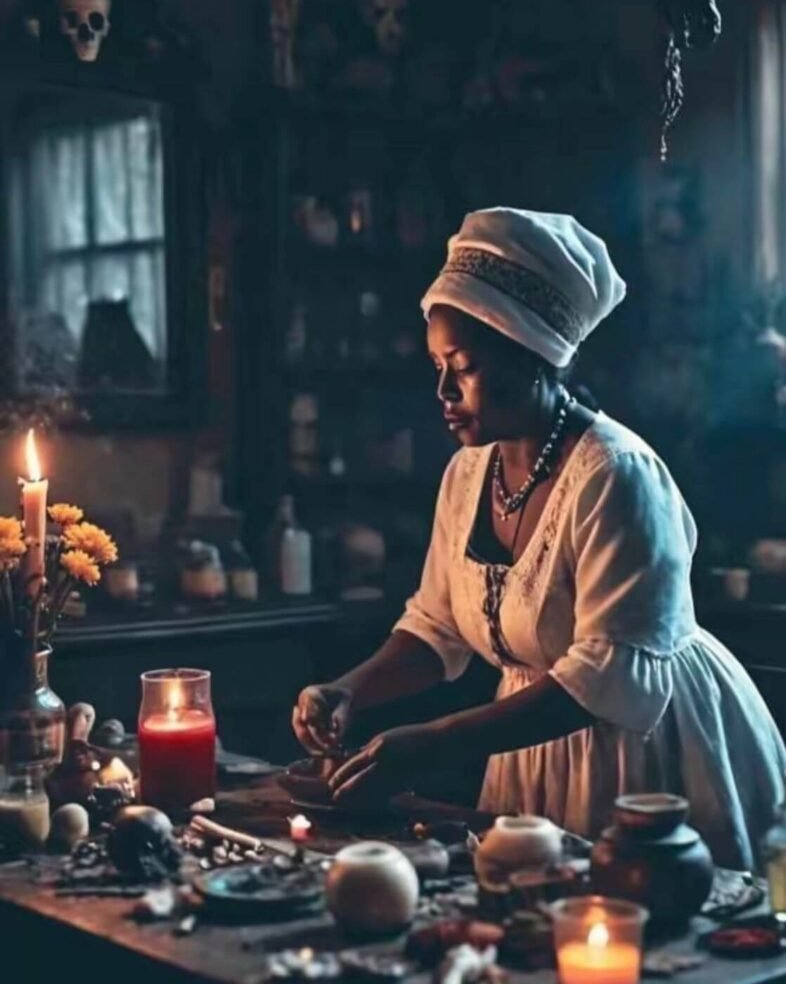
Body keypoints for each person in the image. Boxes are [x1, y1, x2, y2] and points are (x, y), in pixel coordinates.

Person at [293, 208, 786, 869]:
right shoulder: (470, 470)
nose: (443, 389)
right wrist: (351, 689)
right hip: (528, 747)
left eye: (462, 366)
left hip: (645, 753)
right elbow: (437, 625)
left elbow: (607, 678)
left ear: (532, 353)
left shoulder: (617, 475)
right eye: (438, 364)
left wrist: (430, 742)